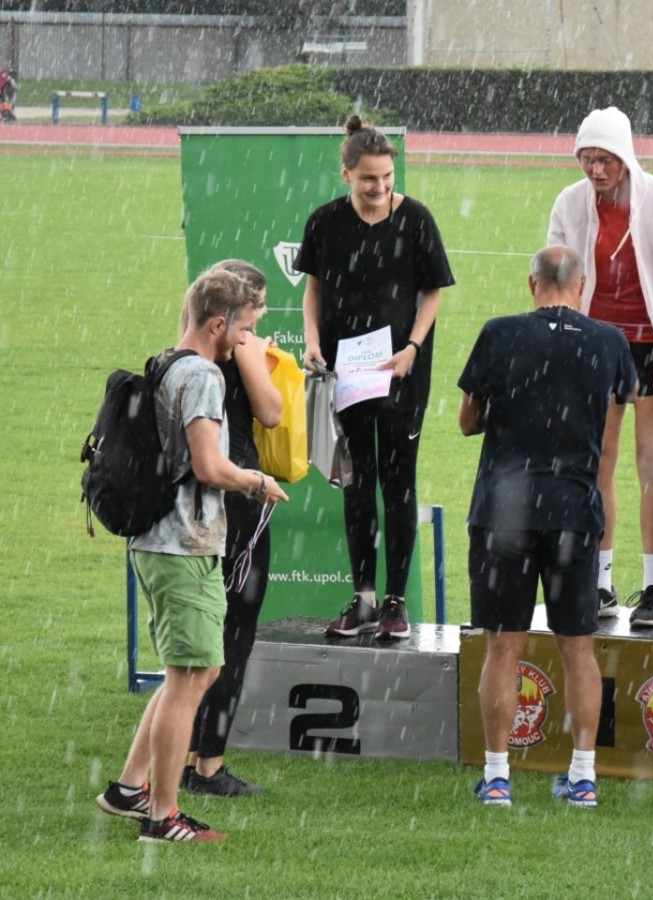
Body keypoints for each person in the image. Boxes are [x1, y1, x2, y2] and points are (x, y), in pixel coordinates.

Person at [95, 267, 289, 843]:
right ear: (218, 324)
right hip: (183, 545)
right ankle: (163, 816)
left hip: (158, 541)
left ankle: (128, 788)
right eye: (245, 328)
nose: (248, 339)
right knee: (195, 673)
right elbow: (208, 466)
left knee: (188, 671)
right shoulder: (203, 375)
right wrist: (256, 481)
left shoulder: (167, 362)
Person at [458, 246, 637, 808]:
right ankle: (583, 777)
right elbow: (609, 439)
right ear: (581, 286)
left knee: (503, 648)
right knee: (578, 650)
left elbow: (466, 421)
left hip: (504, 511)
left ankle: (497, 777)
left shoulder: (499, 333)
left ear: (531, 283)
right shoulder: (610, 342)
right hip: (574, 510)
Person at [548, 106, 653, 629]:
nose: (596, 170)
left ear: (626, 157)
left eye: (606, 159)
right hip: (597, 346)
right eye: (587, 159)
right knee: (596, 463)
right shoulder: (569, 203)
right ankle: (599, 583)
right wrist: (567, 340)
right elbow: (558, 277)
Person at [298, 115, 455, 641]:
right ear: (346, 173)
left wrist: (412, 347)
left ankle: (396, 602)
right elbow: (313, 289)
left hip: (402, 373)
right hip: (346, 373)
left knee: (399, 484)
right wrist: (313, 341)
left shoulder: (416, 219)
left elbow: (433, 292)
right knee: (357, 483)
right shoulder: (324, 222)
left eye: (387, 177)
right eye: (369, 178)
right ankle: (363, 597)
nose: (380, 187)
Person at [180, 261, 281, 797]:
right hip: (238, 496)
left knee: (198, 636)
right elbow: (271, 412)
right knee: (233, 635)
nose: (255, 327)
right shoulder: (240, 347)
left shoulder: (185, 349)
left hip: (193, 507)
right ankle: (209, 764)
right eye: (253, 317)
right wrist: (257, 357)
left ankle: (183, 755)